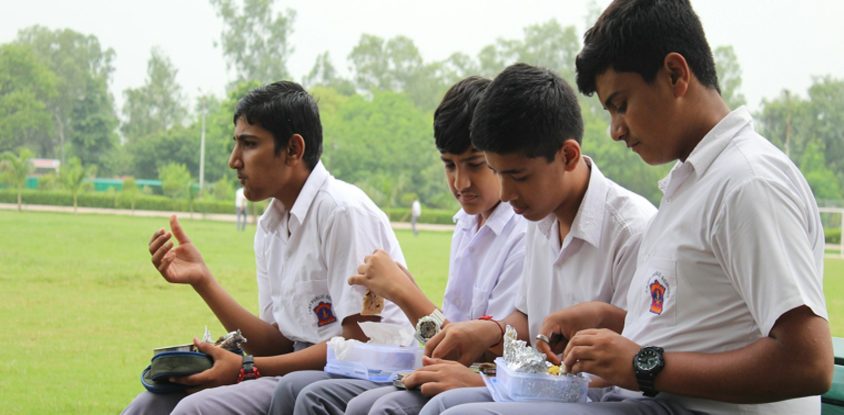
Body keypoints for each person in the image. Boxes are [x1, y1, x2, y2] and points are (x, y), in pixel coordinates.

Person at [429, 1, 834, 415]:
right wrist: (607, 320)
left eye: (621, 104)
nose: (616, 130)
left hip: (693, 408)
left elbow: (809, 363)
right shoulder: (694, 182)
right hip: (651, 400)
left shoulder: (748, 183)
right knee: (440, 406)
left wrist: (643, 365)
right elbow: (702, 332)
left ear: (675, 75)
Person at [121, 81, 411, 415]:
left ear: (293, 150)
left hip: (353, 377)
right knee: (150, 405)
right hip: (295, 370)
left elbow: (358, 341)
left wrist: (246, 368)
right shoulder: (270, 227)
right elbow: (281, 341)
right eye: (236, 145)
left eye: (249, 144)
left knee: (195, 410)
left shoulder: (342, 212)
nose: (233, 161)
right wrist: (203, 280)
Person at [268, 76, 529, 415]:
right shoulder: (467, 224)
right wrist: (404, 290)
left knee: (366, 407)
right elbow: (448, 335)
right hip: (444, 368)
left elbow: (479, 353)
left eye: (475, 164)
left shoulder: (521, 234)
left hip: (485, 381)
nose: (460, 182)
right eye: (449, 164)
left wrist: (405, 293)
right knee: (312, 393)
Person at [411, 63, 656, 415]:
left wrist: (492, 383)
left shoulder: (632, 231)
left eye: (518, 176)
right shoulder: (539, 216)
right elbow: (528, 321)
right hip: (542, 389)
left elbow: (626, 367)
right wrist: (489, 333)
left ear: (568, 156)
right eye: (496, 173)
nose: (506, 193)